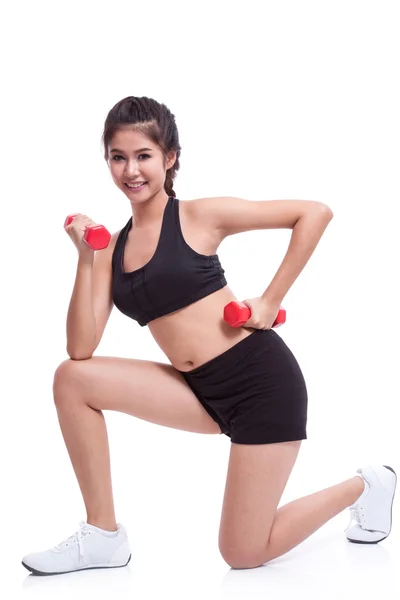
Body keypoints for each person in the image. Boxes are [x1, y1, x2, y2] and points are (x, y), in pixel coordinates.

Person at [22, 96, 396, 576]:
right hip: (196, 392)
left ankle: (365, 485)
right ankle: (102, 536)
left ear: (169, 158)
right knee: (71, 378)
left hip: (261, 387)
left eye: (143, 156)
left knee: (243, 553)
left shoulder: (199, 216)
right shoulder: (111, 249)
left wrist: (269, 298)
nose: (131, 170)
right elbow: (81, 348)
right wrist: (85, 257)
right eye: (118, 157)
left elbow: (314, 213)